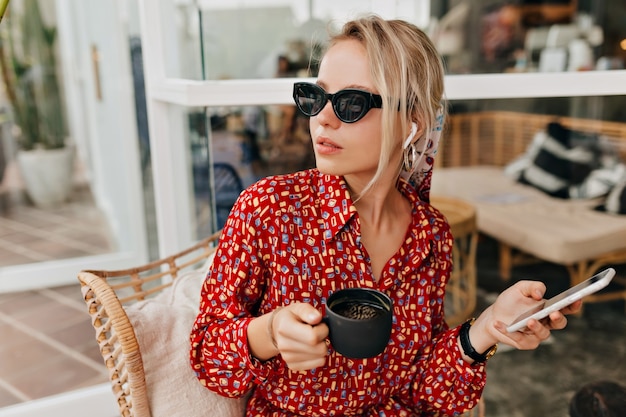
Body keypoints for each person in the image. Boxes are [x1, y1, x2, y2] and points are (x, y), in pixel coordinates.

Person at [190, 14, 581, 416]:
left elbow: (422, 391)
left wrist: (485, 328)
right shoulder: (269, 209)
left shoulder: (430, 234)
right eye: (315, 96)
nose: (322, 117)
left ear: (411, 121)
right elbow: (207, 357)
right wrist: (268, 333)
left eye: (352, 103)